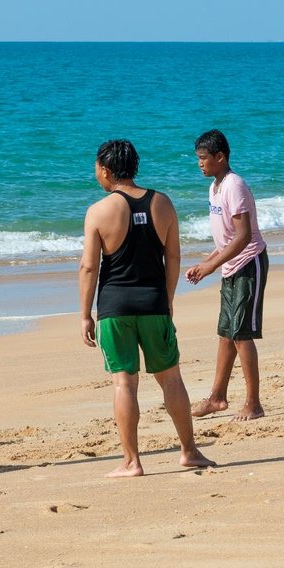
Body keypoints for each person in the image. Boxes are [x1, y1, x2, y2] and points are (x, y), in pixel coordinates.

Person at [79, 140, 216, 477]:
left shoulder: (98, 211)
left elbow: (88, 268)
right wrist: (167, 299)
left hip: (115, 307)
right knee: (171, 379)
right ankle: (189, 451)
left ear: (107, 171)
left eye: (97, 168)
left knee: (124, 383)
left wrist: (84, 314)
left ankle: (132, 461)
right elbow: (174, 257)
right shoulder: (163, 203)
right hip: (154, 302)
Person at [186, 129, 269, 421]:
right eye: (198, 158)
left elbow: (244, 236)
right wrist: (207, 261)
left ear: (220, 157)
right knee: (225, 333)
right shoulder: (214, 187)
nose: (199, 163)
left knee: (241, 334)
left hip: (249, 263)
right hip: (230, 265)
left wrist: (211, 267)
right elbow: (225, 238)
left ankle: (253, 403)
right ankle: (218, 398)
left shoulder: (234, 186)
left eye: (203, 158)